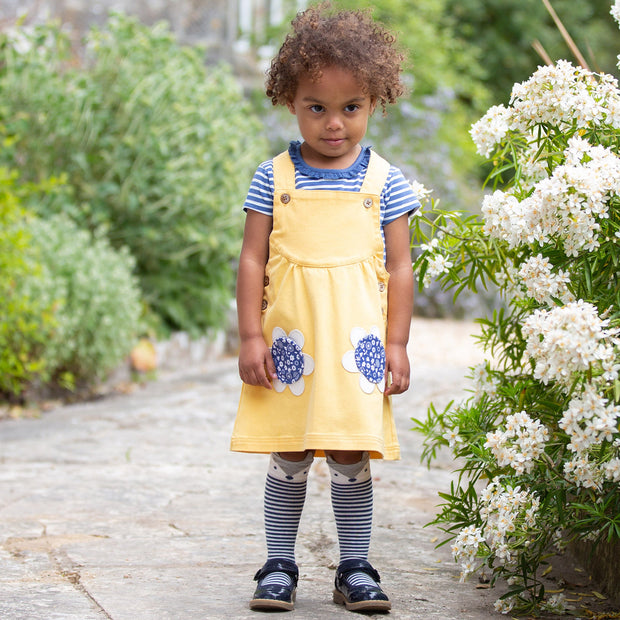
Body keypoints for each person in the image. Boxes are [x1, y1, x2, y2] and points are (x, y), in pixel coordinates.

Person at [230, 3, 420, 613]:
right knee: (288, 450)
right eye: (317, 107)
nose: (333, 123)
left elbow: (399, 268)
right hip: (291, 345)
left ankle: (355, 569)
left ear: (374, 103)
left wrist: (396, 344)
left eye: (350, 108)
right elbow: (253, 260)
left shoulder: (386, 183)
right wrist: (250, 336)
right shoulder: (273, 176)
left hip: (355, 347)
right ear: (292, 101)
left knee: (349, 451)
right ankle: (279, 566)